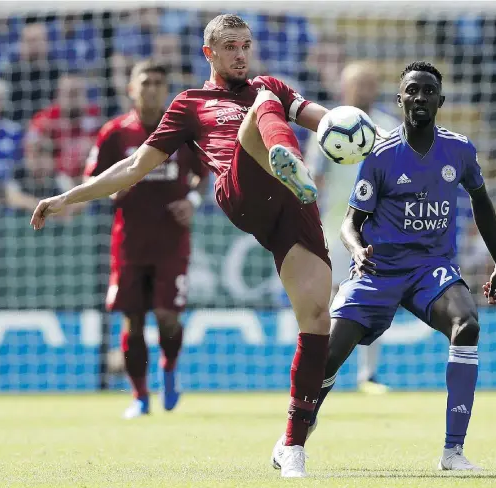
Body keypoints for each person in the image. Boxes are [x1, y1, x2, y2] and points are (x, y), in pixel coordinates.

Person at [31, 14, 335, 478]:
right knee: (265, 106)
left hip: (294, 206)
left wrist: (358, 131)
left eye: (246, 46)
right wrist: (65, 197)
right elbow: (134, 167)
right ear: (208, 53)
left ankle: (291, 445)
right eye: (230, 47)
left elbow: (323, 119)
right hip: (243, 189)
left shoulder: (267, 83)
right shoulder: (191, 103)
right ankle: (289, 159)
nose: (240, 55)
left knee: (316, 320)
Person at [273, 61, 496, 471]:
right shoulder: (380, 153)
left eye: (428, 91)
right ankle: (295, 438)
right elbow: (351, 221)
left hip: (430, 268)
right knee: (327, 354)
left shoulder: (459, 149)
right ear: (400, 99)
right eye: (412, 91)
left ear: (441, 100)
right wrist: (357, 247)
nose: (420, 97)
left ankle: (453, 452)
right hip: (379, 268)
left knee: (467, 324)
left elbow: (481, 202)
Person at [83, 60, 208, 419]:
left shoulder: (183, 132)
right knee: (132, 320)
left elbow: (207, 174)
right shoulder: (114, 133)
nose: (151, 88)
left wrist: (192, 200)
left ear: (166, 89)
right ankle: (139, 397)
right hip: (130, 243)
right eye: (145, 82)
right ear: (131, 88)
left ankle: (169, 367)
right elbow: (93, 179)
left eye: (158, 82)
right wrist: (110, 193)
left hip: (172, 242)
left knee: (168, 317)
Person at [305, 60, 400, 395]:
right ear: (344, 88)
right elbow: (313, 180)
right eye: (358, 84)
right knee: (321, 302)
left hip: (376, 232)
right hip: (333, 229)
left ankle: (368, 376)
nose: (364, 90)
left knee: (372, 300)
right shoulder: (328, 126)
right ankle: (313, 367)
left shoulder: (389, 128)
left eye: (370, 83)